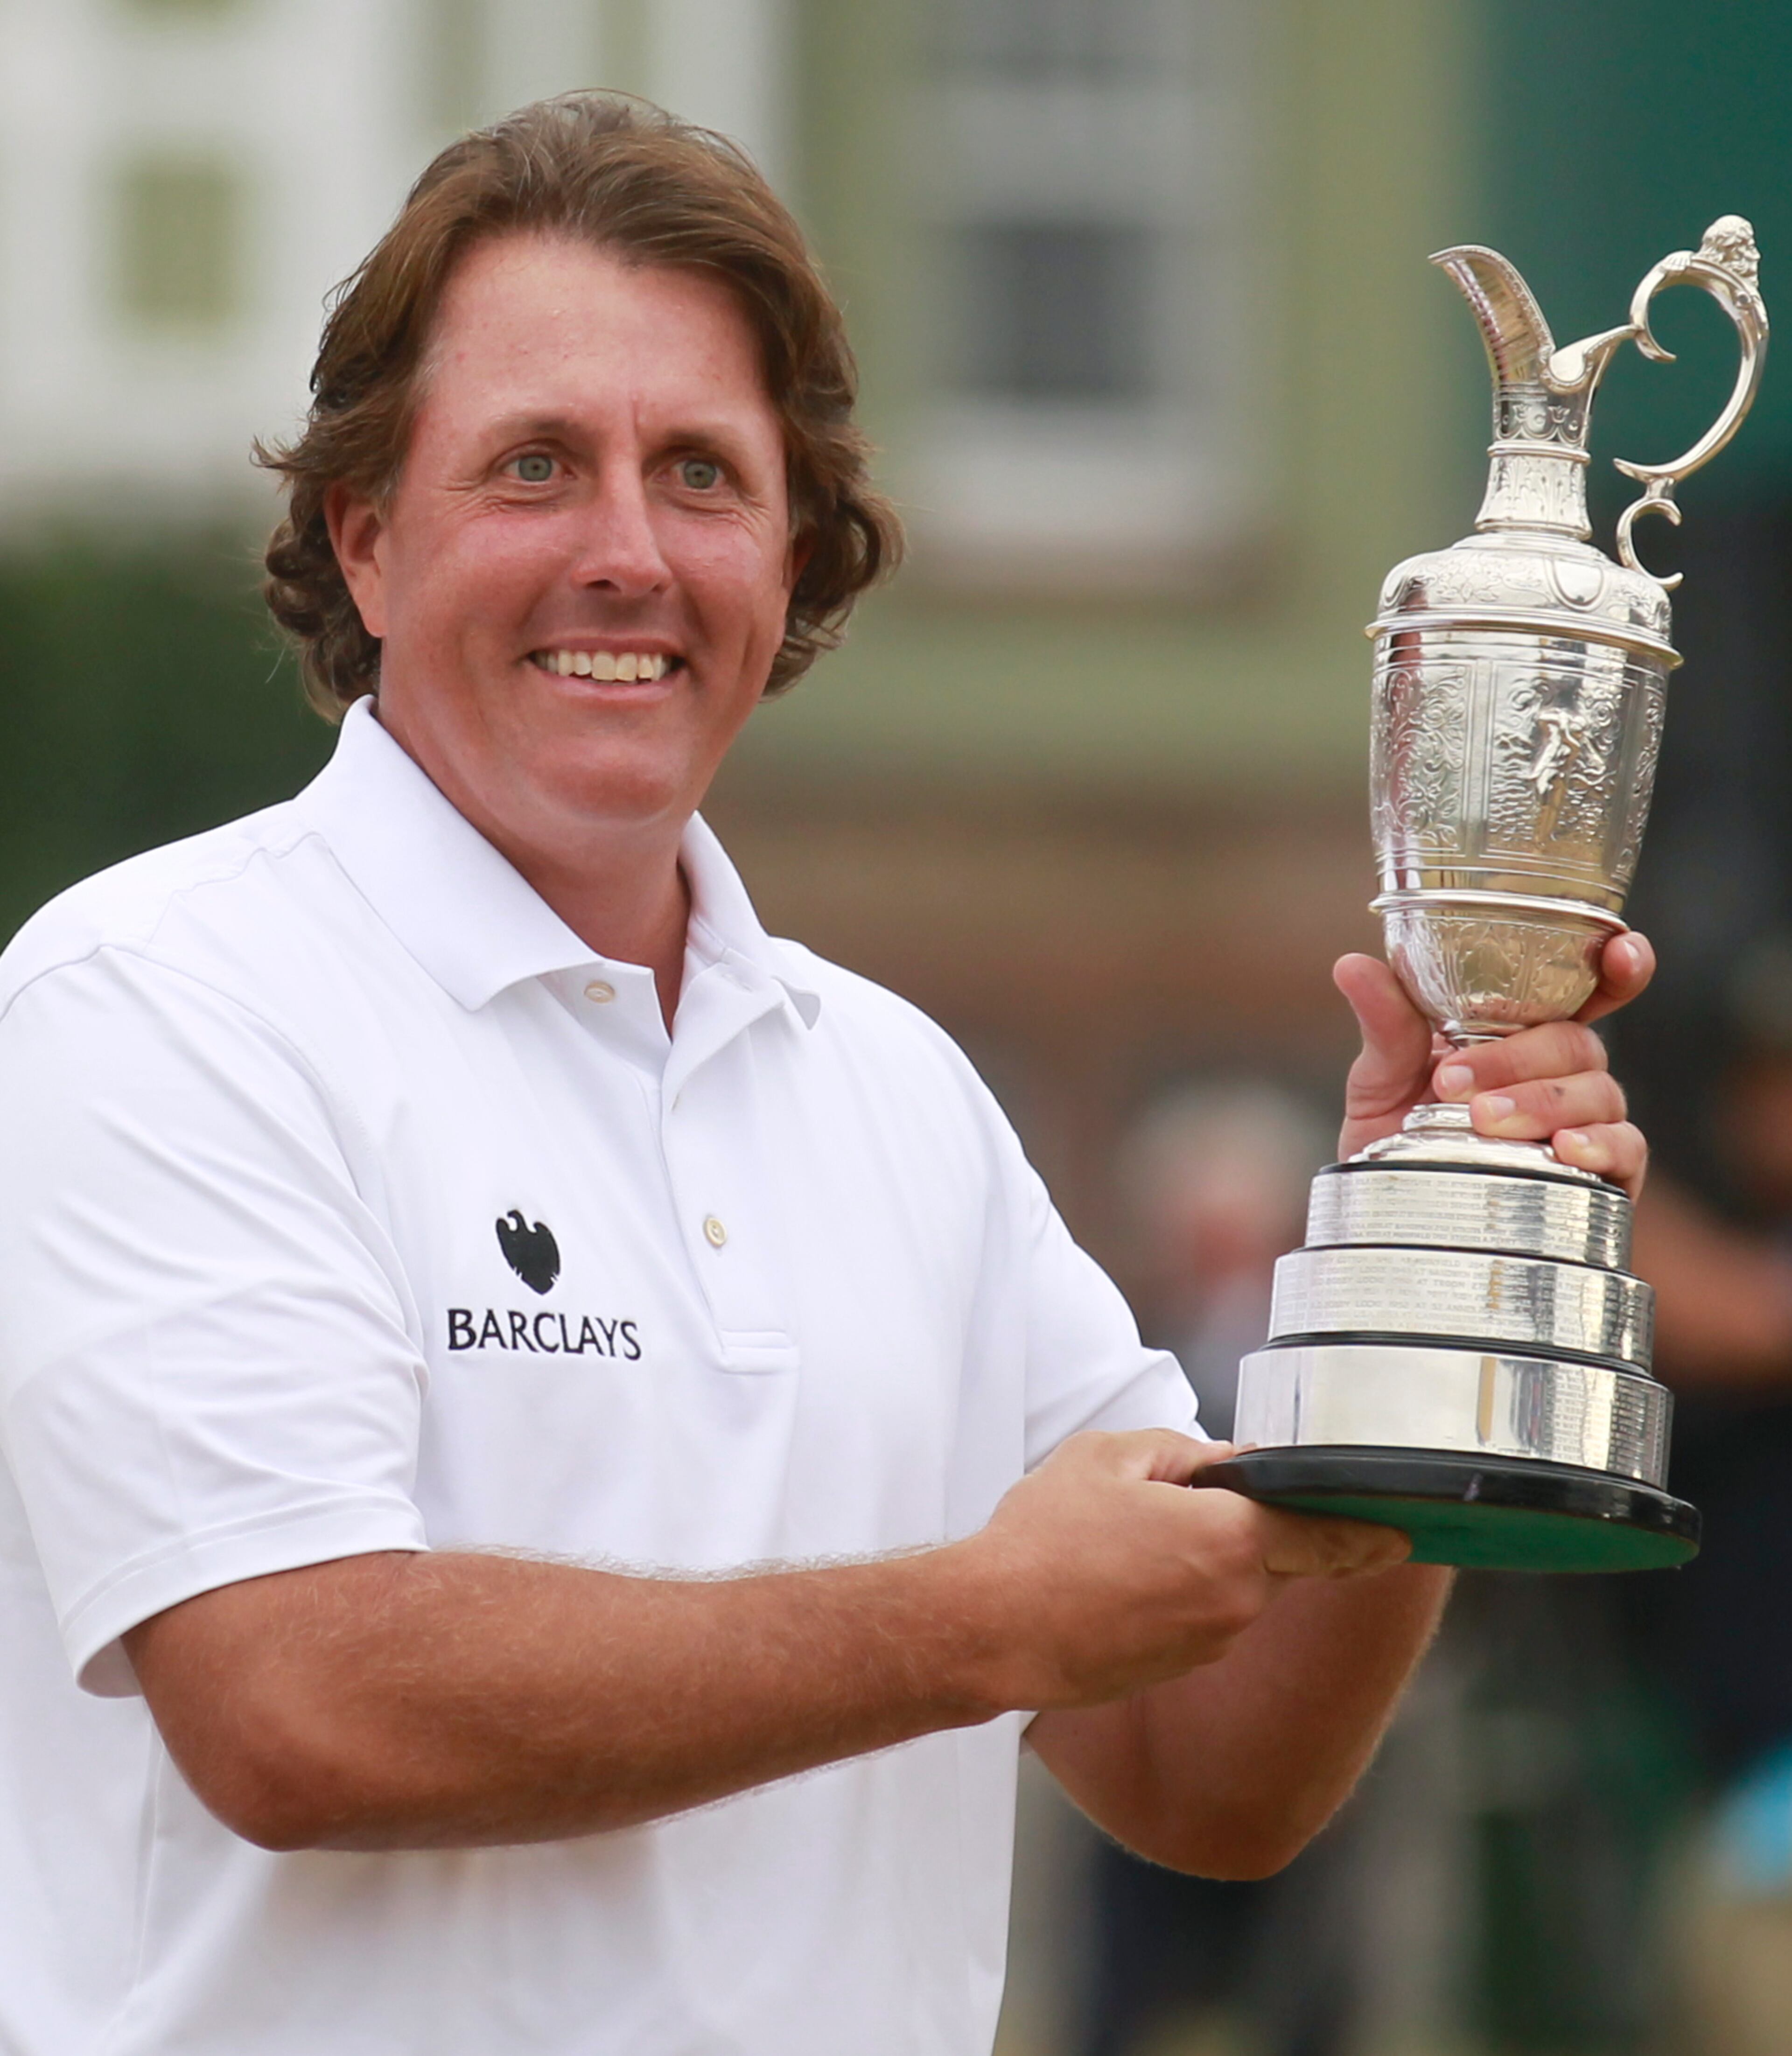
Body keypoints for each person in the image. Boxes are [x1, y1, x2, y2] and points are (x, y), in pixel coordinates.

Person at [0, 95, 1652, 2056]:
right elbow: (297, 1700)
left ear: (788, 554)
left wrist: (1415, 1270)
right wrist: (981, 1619)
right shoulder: (153, 999)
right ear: (366, 540)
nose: (627, 550)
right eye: (536, 465)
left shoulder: (899, 1094)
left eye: (701, 473)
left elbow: (1212, 1778)